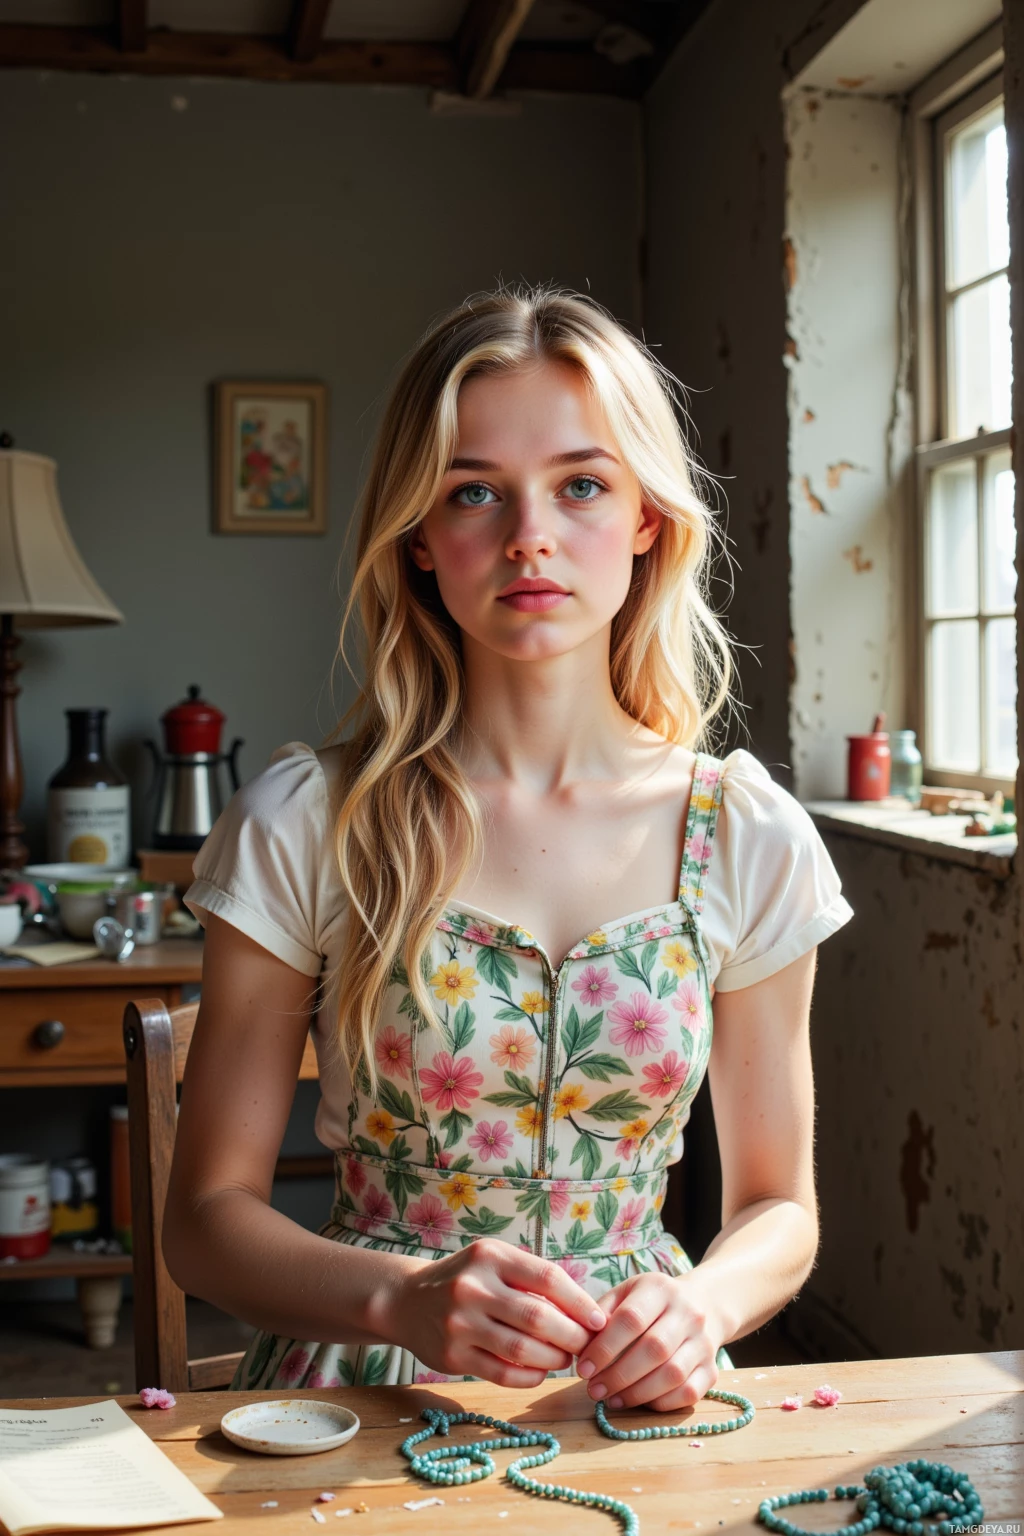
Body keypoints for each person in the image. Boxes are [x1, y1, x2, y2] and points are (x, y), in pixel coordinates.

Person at [167, 285, 854, 1414]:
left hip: (631, 1396)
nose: (530, 534)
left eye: (581, 485)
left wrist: (704, 1308)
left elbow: (779, 1209)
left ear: (648, 518)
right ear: (420, 538)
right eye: (474, 491)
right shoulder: (307, 820)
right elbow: (204, 1224)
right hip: (365, 1396)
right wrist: (401, 1299)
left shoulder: (746, 833)